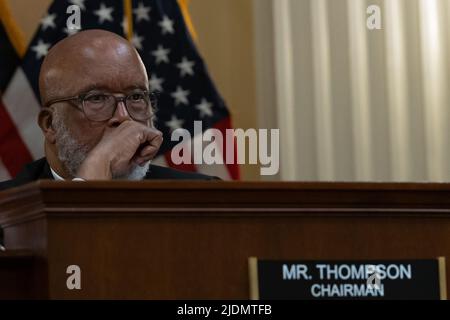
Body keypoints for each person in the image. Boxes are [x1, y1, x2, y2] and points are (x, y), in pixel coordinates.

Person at [0, 29, 216, 191]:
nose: (123, 117)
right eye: (97, 98)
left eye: (136, 97)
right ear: (50, 125)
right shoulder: (7, 210)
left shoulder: (202, 197)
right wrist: (99, 162)